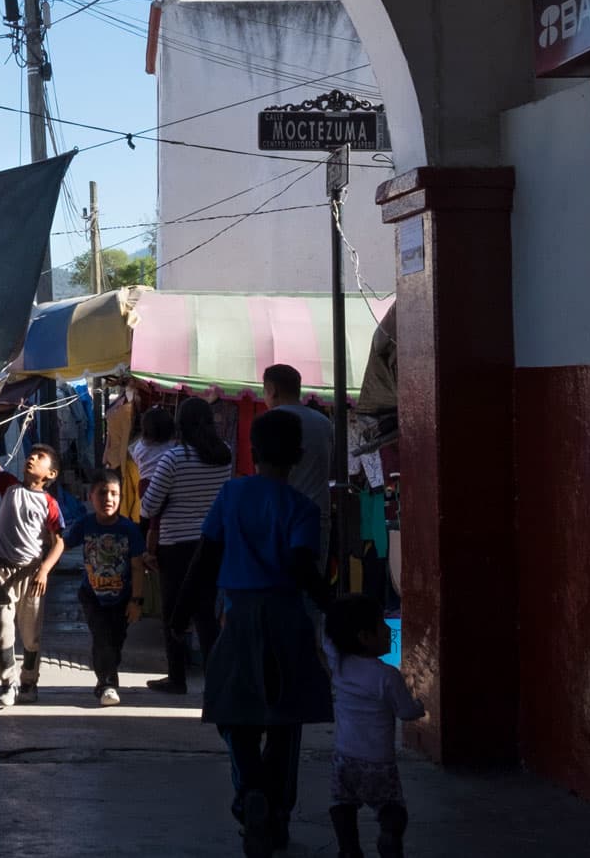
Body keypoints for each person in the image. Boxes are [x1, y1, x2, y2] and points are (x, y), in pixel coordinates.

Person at [201, 407, 334, 858]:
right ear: (297, 455)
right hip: (286, 620)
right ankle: (276, 811)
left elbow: (207, 555)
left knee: (233, 714)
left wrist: (181, 615)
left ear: (252, 451)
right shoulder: (303, 509)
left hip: (236, 618)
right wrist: (336, 608)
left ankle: (250, 788)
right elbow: (302, 568)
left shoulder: (231, 494)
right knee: (285, 721)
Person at [141, 397, 234, 693]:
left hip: (175, 545)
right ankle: (216, 678)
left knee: (174, 611)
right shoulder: (225, 456)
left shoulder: (174, 458)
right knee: (205, 612)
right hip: (212, 542)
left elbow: (149, 505)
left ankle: (177, 677)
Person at [0, 401, 66, 709]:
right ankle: (8, 681)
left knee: (31, 636)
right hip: (1, 571)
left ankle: (29, 680)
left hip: (31, 575)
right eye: (31, 455)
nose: (32, 458)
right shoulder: (9, 486)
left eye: (39, 457)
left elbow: (58, 543)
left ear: (50, 473)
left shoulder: (49, 504)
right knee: (1, 633)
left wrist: (44, 571)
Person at [323, 593, 425, 858]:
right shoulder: (387, 676)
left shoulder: (339, 665)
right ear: (364, 637)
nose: (388, 629)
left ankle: (349, 849)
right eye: (381, 625)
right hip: (379, 762)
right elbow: (405, 712)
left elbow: (327, 638)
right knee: (392, 807)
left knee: (341, 805)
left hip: (345, 758)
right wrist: (420, 706)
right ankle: (389, 835)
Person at [66, 466, 147, 705]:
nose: (108, 499)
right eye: (102, 493)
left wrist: (136, 601)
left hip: (122, 598)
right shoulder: (85, 524)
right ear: (90, 496)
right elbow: (63, 542)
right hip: (92, 595)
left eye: (114, 494)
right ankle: (107, 684)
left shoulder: (129, 529)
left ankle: (109, 676)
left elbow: (137, 567)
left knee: (116, 640)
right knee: (101, 637)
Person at [263, 364, 335, 563]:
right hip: (318, 516)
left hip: (280, 517)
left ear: (272, 390)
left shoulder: (268, 421)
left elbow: (262, 476)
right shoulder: (324, 423)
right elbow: (330, 468)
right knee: (310, 585)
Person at [131, 401, 179, 499]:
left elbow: (136, 460)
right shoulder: (173, 446)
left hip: (145, 487)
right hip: (167, 487)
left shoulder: (139, 446)